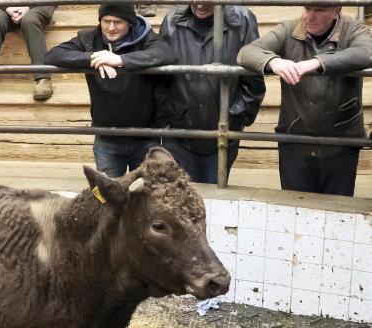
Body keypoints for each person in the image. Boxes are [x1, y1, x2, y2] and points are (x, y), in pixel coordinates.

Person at [237, 5, 372, 196]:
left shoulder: (354, 29)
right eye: (307, 8)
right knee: (295, 207)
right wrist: (273, 61)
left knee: (337, 207)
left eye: (319, 10)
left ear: (336, 11)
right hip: (294, 141)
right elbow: (247, 52)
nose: (309, 16)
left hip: (341, 143)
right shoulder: (289, 29)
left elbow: (366, 51)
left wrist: (318, 62)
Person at [44, 3, 175, 176]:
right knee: (108, 191)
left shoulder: (145, 37)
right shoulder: (89, 39)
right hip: (107, 137)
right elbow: (53, 55)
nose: (111, 27)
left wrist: (121, 60)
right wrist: (95, 58)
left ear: (129, 22)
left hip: (145, 136)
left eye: (117, 22)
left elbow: (165, 53)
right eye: (106, 21)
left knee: (145, 190)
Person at [158, 3, 266, 183]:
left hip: (223, 132)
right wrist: (169, 115)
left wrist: (235, 117)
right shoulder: (171, 21)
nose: (200, 3)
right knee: (181, 194)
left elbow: (253, 78)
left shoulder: (242, 20)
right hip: (179, 134)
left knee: (215, 193)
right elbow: (160, 77)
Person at [0, 6, 57, 101]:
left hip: (40, 4)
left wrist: (28, 7)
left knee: (30, 20)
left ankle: (43, 79)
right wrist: (8, 7)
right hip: (9, 3)